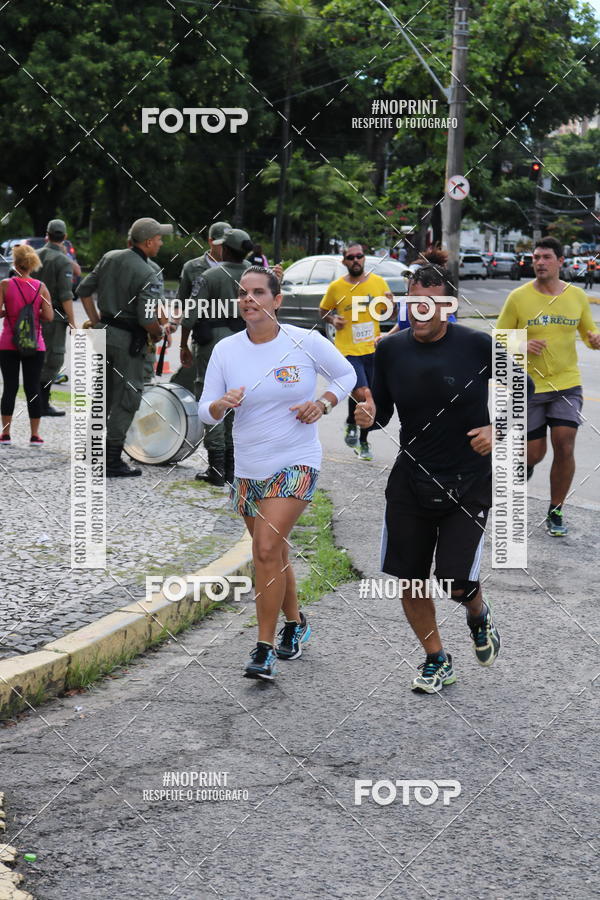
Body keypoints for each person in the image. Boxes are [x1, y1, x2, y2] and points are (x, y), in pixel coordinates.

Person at [355, 261, 533, 694]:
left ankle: (477, 613)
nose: (419, 312)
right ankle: (437, 659)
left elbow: (523, 389)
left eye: (429, 304)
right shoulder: (390, 350)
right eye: (412, 303)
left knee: (454, 582)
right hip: (411, 481)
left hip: (468, 480)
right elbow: (380, 412)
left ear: (448, 306)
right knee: (411, 578)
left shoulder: (476, 345)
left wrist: (499, 429)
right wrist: (367, 416)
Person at [198, 266, 356, 681]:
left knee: (266, 549)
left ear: (276, 300)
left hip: (297, 459)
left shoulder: (304, 341)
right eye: (243, 293)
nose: (248, 299)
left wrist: (322, 402)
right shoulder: (226, 350)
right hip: (248, 468)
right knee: (276, 552)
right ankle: (295, 623)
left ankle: (263, 648)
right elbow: (204, 408)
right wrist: (220, 406)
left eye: (257, 293)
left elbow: (346, 374)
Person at [497, 236, 600, 536]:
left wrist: (594, 340)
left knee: (565, 444)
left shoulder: (577, 296)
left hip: (567, 385)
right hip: (528, 387)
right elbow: (497, 337)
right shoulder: (518, 297)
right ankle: (525, 466)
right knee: (533, 454)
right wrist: (522, 343)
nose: (539, 262)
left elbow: (588, 333)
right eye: (535, 257)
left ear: (560, 261)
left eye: (545, 257)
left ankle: (555, 510)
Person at [77, 217, 174, 477]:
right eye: (160, 239)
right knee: (126, 399)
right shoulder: (149, 272)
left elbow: (83, 290)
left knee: (103, 394)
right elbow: (146, 319)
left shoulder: (110, 257)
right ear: (149, 241)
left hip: (104, 334)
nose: (162, 243)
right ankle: (110, 460)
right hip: (129, 343)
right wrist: (161, 332)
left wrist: (98, 322)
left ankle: (90, 450)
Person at [180, 228, 253, 485]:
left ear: (224, 249)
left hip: (212, 342)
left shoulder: (210, 276)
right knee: (236, 398)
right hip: (245, 341)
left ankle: (217, 467)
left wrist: (182, 345)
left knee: (212, 398)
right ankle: (232, 466)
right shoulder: (253, 276)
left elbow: (190, 314)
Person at [319, 242, 393, 460]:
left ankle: (356, 430)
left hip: (372, 347)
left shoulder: (379, 283)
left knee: (367, 392)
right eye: (350, 257)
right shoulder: (336, 288)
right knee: (363, 392)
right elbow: (323, 310)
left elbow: (388, 315)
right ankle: (361, 439)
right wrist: (333, 319)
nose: (355, 260)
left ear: (364, 258)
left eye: (359, 256)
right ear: (344, 262)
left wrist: (392, 305)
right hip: (347, 349)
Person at [0, 244, 53, 445]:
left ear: (15, 262)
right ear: (32, 264)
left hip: (8, 344)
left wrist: (9, 312)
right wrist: (33, 314)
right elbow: (48, 316)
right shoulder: (41, 287)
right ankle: (35, 435)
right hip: (35, 345)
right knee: (32, 388)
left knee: (10, 387)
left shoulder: (5, 284)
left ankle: (5, 434)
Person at [170, 221, 231, 393]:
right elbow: (181, 301)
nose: (226, 249)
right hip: (204, 335)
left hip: (233, 333)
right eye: (222, 245)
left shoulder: (240, 267)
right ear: (211, 242)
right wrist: (174, 323)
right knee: (204, 384)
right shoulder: (192, 267)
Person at [35, 219, 77, 416]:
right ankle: (43, 404)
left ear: (47, 235)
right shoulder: (62, 261)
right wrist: (73, 321)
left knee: (36, 357)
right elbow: (66, 295)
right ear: (65, 237)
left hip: (34, 314)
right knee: (54, 358)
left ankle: (36, 402)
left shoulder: (36, 255)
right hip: (55, 316)